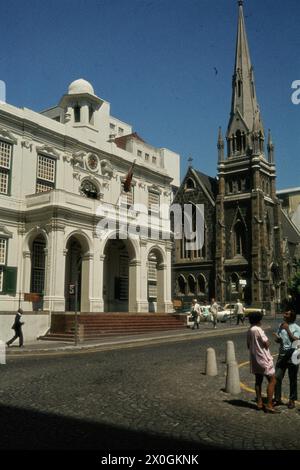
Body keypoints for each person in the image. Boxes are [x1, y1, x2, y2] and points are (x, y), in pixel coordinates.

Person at [247, 311, 279, 413]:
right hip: (263, 358)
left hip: (255, 359)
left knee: (258, 380)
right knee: (272, 380)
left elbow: (248, 345)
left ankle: (259, 403)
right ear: (258, 320)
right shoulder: (258, 329)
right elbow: (266, 343)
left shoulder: (250, 330)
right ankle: (269, 404)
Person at [273, 301, 300, 409]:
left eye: (286, 314)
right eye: (284, 313)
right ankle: (277, 398)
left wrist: (287, 329)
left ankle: (292, 400)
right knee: (277, 377)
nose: (284, 315)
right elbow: (279, 339)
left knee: (292, 379)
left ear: (291, 316)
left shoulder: (297, 328)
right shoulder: (281, 325)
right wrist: (278, 339)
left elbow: (296, 340)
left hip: (293, 355)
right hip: (282, 355)